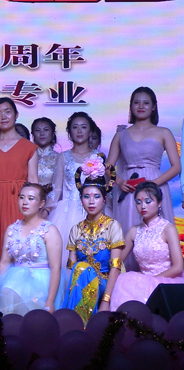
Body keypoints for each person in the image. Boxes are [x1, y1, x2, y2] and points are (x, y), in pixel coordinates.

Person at [105, 87, 180, 267]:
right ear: (130, 106)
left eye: (146, 103)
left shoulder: (164, 132)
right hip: (128, 188)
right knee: (127, 230)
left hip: (155, 187)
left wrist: (153, 184)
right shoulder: (121, 134)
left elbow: (176, 166)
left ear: (153, 107)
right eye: (136, 102)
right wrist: (120, 182)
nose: (140, 106)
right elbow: (108, 166)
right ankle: (127, 278)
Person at [61, 159, 123, 323]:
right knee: (80, 269)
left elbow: (115, 268)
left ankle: (77, 323)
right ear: (81, 199)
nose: (91, 201)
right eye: (86, 196)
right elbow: (71, 269)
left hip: (105, 284)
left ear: (104, 199)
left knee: (83, 269)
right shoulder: (76, 229)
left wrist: (106, 300)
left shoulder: (113, 226)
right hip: (80, 283)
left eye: (96, 196)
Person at [110, 182, 184, 310]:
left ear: (159, 203)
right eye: (138, 202)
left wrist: (151, 281)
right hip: (142, 281)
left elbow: (178, 267)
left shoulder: (168, 229)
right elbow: (117, 261)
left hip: (166, 281)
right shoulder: (133, 231)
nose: (143, 206)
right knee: (123, 281)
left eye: (148, 201)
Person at [46, 113, 100, 283]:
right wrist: (46, 210)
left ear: (90, 131)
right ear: (69, 132)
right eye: (75, 127)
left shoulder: (98, 156)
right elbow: (57, 187)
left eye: (84, 127)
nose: (79, 131)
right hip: (67, 211)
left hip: (92, 209)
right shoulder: (63, 156)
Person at [0, 97, 39, 261]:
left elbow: (33, 180)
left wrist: (34, 210)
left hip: (20, 201)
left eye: (7, 112)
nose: (3, 116)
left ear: (16, 115)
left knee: (19, 244)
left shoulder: (29, 147)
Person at [0, 183, 63, 314]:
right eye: (21, 197)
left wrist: (50, 300)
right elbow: (4, 262)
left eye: (31, 198)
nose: (25, 202)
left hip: (40, 284)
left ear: (41, 203)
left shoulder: (49, 230)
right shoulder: (12, 229)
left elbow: (55, 268)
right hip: (14, 281)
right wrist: (0, 292)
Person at [31, 117, 59, 203]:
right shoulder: (28, 157)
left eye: (46, 130)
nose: (42, 133)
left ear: (53, 134)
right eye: (37, 130)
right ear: (33, 134)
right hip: (31, 201)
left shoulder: (60, 158)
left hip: (54, 202)